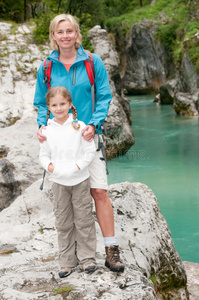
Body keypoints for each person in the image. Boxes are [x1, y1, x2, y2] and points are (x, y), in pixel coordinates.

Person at [34, 13, 124, 272]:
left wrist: (94, 123)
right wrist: (42, 124)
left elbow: (105, 96)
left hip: (88, 137)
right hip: (60, 140)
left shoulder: (92, 62)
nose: (65, 36)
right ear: (53, 36)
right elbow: (41, 101)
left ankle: (111, 250)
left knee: (99, 191)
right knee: (65, 200)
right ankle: (71, 257)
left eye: (69, 31)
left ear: (77, 33)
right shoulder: (47, 67)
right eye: (60, 32)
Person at [39, 86, 97, 278]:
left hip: (80, 180)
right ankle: (66, 261)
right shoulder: (47, 130)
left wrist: (78, 167)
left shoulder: (79, 126)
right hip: (58, 182)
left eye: (63, 104)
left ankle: (87, 258)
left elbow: (89, 151)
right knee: (63, 222)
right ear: (48, 107)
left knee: (84, 219)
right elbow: (43, 156)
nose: (59, 108)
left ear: (70, 104)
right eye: (54, 105)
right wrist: (53, 168)